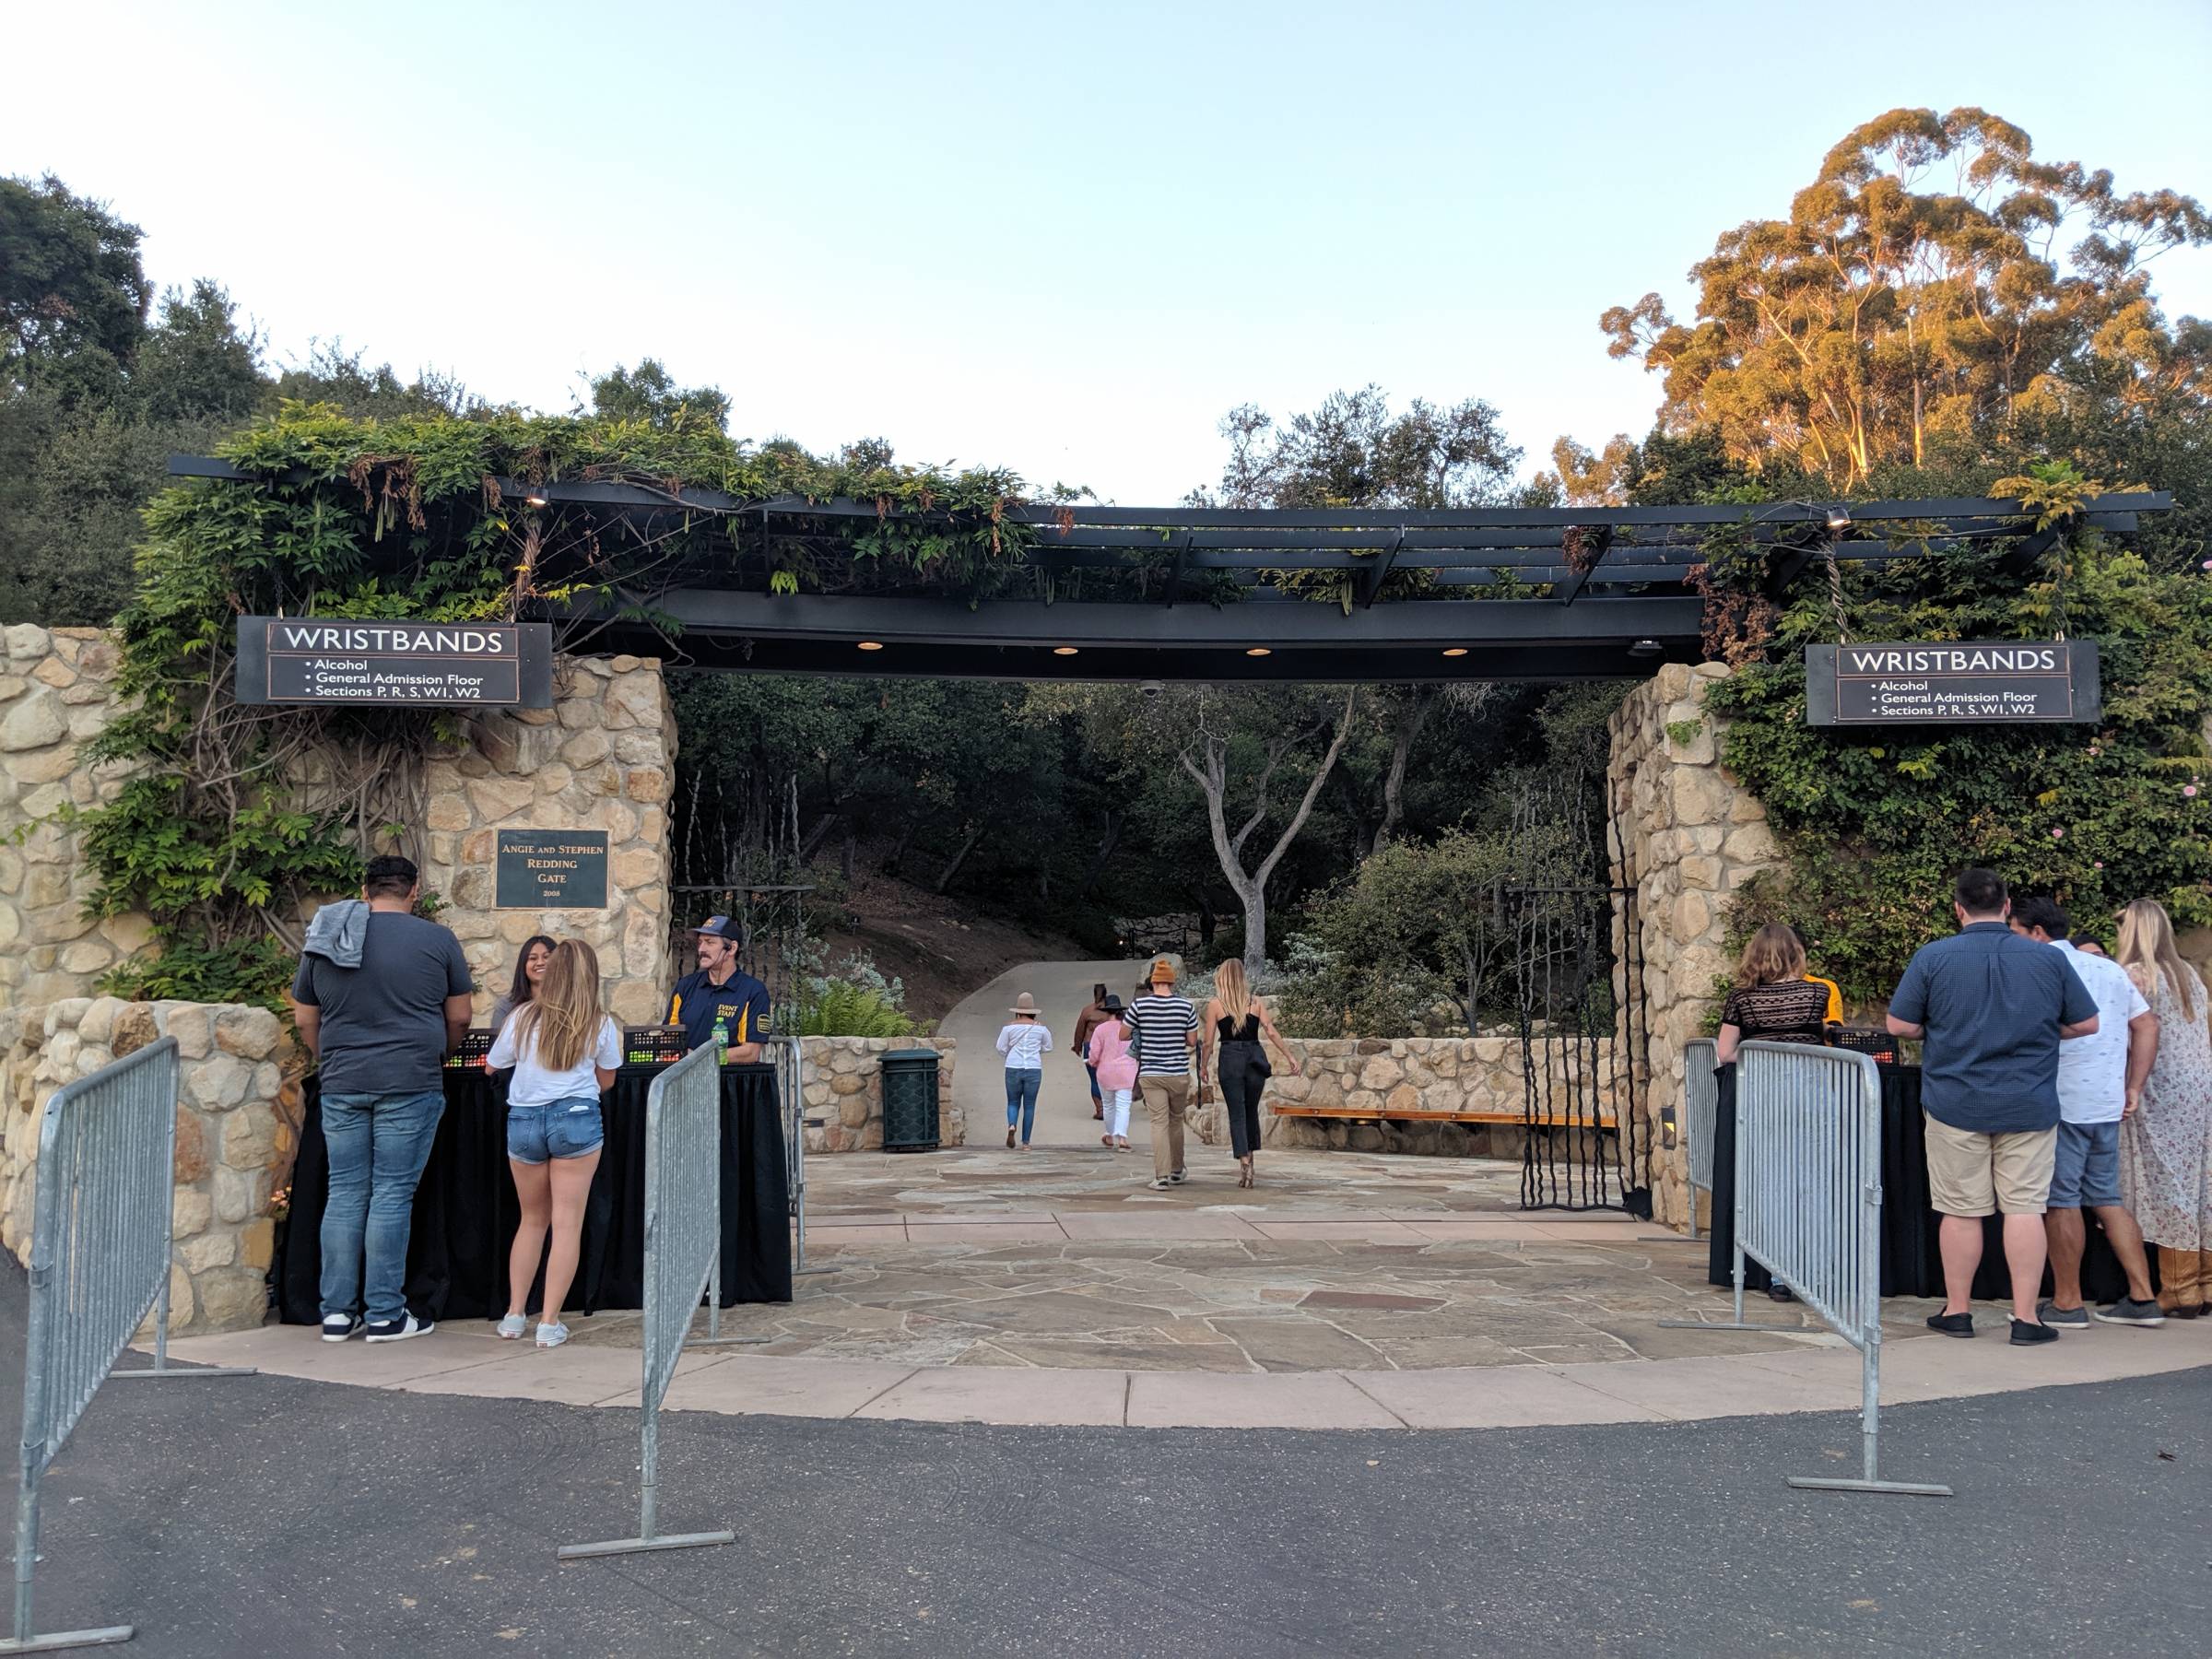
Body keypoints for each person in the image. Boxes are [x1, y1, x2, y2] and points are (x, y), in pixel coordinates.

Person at [1886, 868, 2098, 1346]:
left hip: (1954, 1101)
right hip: (2029, 1102)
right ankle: (2025, 1319)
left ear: (1958, 909)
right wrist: (2045, 1032)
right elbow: (2087, 1024)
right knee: (2025, 1208)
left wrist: (1936, 1031)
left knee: (1961, 1211)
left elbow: (1899, 1025)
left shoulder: (1934, 957)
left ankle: (1957, 1312)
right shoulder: (2047, 960)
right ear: (2007, 907)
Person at [290, 854, 475, 1344]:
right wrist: (439, 1054)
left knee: (346, 1193)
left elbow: (305, 1019)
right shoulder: (437, 940)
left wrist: (329, 1059)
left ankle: (335, 1314)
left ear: (364, 888)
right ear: (415, 890)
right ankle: (386, 1315)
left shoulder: (327, 938)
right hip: (410, 1079)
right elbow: (459, 1016)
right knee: (392, 1195)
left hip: (343, 1080)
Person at [2010, 897, 2163, 1326]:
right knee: (2106, 1198)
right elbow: (2148, 1024)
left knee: (2062, 1201)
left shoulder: (2043, 967)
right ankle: (2142, 1297)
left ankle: (2067, 1302)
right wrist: (2133, 1086)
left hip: (2063, 1099)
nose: (2012, 941)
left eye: (2016, 932)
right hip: (2106, 1100)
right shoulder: (2110, 969)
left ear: (2037, 933)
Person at [488, 939, 620, 1348]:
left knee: (531, 1220)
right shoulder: (599, 1022)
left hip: (525, 1120)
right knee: (567, 1225)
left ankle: (513, 1315)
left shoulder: (522, 1016)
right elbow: (608, 1080)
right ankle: (548, 1322)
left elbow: (493, 1065)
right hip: (576, 1119)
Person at [1708, 924, 1834, 1300]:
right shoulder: (1818, 992)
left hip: (1763, 1096)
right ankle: (1817, 1269)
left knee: (1772, 1184)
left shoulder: (1741, 1000)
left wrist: (1759, 1048)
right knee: (1813, 1183)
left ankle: (1779, 1276)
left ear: (1755, 957)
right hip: (1811, 1096)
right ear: (1796, 953)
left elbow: (1726, 1053)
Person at [2114, 899, 2212, 1318]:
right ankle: (2205, 1283)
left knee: (2167, 1181)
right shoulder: (2189, 973)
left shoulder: (2136, 975)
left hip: (2159, 1086)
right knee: (2200, 1182)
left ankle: (2178, 1286)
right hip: (2198, 1087)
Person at [1202, 959, 1300, 1189]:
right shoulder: (1255, 1002)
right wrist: (1290, 1056)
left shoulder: (1216, 1005)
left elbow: (1207, 1042)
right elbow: (1271, 1031)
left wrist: (1203, 1066)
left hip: (1231, 1058)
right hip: (1254, 1058)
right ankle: (1251, 1159)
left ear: (1222, 978)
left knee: (1236, 1112)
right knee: (1250, 1111)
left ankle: (1244, 1162)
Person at [1125, 959, 1200, 1190]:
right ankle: (1177, 1170)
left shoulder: (1139, 1006)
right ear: (1172, 982)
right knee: (1176, 1120)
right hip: (1178, 1072)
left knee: (1158, 1122)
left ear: (1154, 981)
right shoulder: (1186, 1007)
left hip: (1151, 1072)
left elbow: (1123, 1034)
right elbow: (1192, 1040)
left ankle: (1161, 1176)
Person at [667, 914, 770, 1060]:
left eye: (709, 942)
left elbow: (750, 1053)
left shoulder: (753, 991)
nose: (701, 949)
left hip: (730, 1080)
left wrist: (698, 1058)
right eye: (700, 942)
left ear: (731, 948)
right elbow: (668, 1038)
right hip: (686, 1080)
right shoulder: (685, 986)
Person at [996, 992, 1053, 1149]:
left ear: (1017, 1011)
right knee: (1029, 1105)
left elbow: (1000, 1048)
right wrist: (1035, 1050)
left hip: (1013, 1067)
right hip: (1033, 1068)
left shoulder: (1008, 1028)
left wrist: (1010, 1053)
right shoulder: (1041, 1029)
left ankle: (1012, 1125)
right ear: (1033, 1012)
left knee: (1013, 1102)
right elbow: (1048, 1047)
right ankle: (1026, 1142)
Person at [1087, 994, 1138, 1151]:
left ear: (1106, 1011)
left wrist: (1092, 1062)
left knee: (1108, 1105)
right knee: (1124, 1105)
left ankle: (1109, 1134)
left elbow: (1094, 1053)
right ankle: (1122, 1137)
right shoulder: (1129, 1028)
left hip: (1106, 1071)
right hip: (1127, 1071)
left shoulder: (1100, 1029)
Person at [488, 935, 555, 1038]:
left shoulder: (568, 1001)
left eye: (547, 957)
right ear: (523, 965)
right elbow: (497, 1045)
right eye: (533, 958)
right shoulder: (506, 1006)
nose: (540, 963)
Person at [1072, 982, 1112, 1122]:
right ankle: (1109, 1108)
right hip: (1108, 1047)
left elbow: (1080, 1030)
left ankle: (1100, 1110)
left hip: (1090, 1046)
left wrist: (1077, 1046)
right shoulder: (1112, 1011)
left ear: (1094, 994)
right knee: (1109, 1078)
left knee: (1095, 1079)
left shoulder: (1087, 1011)